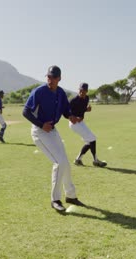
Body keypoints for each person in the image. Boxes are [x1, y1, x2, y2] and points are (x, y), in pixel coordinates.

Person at [22, 65, 86, 212]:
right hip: (39, 131)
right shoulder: (39, 91)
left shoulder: (60, 93)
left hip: (52, 131)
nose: (50, 80)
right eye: (48, 77)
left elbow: (65, 110)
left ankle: (70, 195)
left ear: (59, 79)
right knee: (59, 162)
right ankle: (55, 200)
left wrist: (70, 116)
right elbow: (25, 111)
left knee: (66, 164)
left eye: (53, 77)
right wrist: (41, 124)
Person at [69, 83, 107, 167]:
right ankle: (95, 161)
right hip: (74, 124)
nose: (82, 92)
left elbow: (81, 109)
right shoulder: (73, 100)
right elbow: (66, 111)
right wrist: (73, 118)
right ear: (78, 90)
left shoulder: (86, 98)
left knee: (89, 142)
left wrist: (87, 110)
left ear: (86, 91)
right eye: (80, 90)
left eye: (84, 91)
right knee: (92, 139)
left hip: (80, 123)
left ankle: (78, 160)